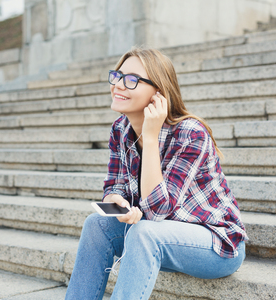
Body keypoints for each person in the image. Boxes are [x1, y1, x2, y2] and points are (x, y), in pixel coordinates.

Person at [65, 47, 248, 300]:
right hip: (163, 237)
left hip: (216, 245)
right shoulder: (121, 128)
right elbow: (114, 184)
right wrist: (114, 200)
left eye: (131, 80)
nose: (118, 85)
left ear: (158, 94)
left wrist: (151, 139)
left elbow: (157, 211)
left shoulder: (190, 133)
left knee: (144, 232)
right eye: (117, 76)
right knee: (96, 224)